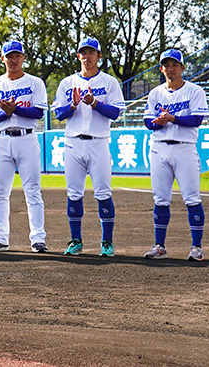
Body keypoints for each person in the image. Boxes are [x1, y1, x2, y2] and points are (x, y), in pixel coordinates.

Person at [53, 38, 125, 257]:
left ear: (99, 56)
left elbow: (116, 113)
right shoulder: (67, 82)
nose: (87, 56)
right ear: (78, 56)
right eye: (83, 53)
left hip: (98, 142)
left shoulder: (109, 82)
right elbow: (58, 114)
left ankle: (107, 242)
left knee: (103, 192)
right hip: (73, 142)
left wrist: (95, 103)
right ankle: (76, 241)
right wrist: (73, 104)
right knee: (74, 193)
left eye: (91, 52)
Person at [0, 41, 49, 253]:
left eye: (17, 55)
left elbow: (39, 112)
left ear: (24, 57)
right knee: (0, 192)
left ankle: (38, 238)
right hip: (1, 139)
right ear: (3, 59)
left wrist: (14, 109)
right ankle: (0, 238)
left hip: (27, 139)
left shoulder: (35, 82)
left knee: (33, 191)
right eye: (9, 56)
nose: (13, 60)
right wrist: (6, 113)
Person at [142, 49, 209, 261]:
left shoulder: (194, 91)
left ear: (182, 67)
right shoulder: (156, 93)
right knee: (160, 198)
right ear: (161, 69)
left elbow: (197, 119)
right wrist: (158, 122)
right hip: (159, 147)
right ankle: (160, 246)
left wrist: (172, 118)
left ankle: (196, 247)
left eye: (174, 65)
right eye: (166, 65)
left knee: (191, 197)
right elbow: (147, 121)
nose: (170, 69)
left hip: (185, 147)